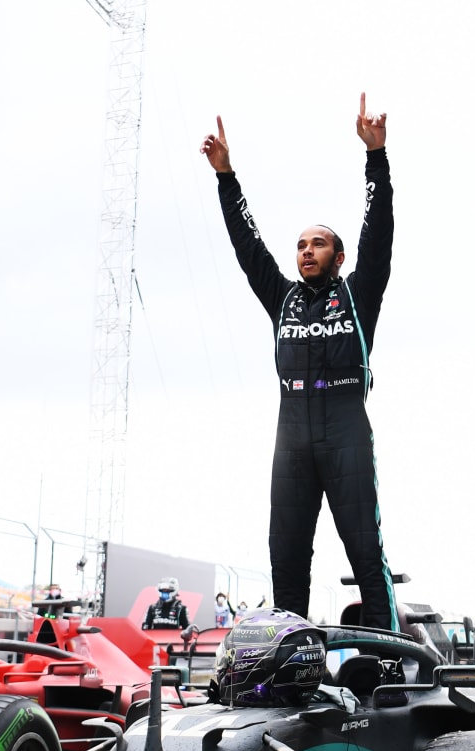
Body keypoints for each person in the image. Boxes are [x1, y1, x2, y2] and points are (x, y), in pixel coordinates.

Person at [201, 94, 399, 632]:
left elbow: (378, 233)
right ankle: (292, 668)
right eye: (301, 245)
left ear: (339, 257)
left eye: (319, 244)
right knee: (287, 563)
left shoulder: (358, 295)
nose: (307, 251)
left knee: (365, 555)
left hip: (346, 433)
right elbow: (248, 247)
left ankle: (384, 662)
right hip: (290, 439)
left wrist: (375, 157)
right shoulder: (282, 297)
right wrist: (226, 177)